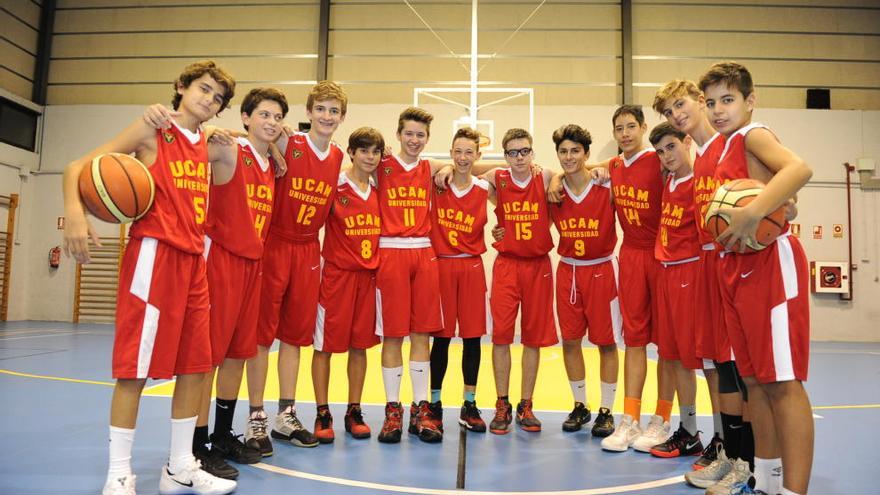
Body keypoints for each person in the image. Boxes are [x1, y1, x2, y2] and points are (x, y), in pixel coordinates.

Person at [62, 60, 237, 495]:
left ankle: (179, 465)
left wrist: (234, 143)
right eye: (203, 88)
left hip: (194, 260)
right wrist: (75, 215)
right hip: (153, 256)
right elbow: (77, 166)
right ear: (182, 86)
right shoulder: (153, 128)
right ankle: (118, 474)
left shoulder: (207, 143)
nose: (208, 98)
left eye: (217, 97)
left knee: (196, 367)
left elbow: (239, 159)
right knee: (134, 371)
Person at [702, 61, 813, 495]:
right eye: (711, 102)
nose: (718, 109)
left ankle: (794, 491)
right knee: (753, 383)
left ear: (750, 100)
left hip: (771, 266)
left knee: (782, 383)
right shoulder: (722, 146)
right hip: (735, 266)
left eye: (727, 100)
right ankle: (765, 483)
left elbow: (798, 169)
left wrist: (754, 210)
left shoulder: (754, 133)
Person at [652, 79, 755, 487]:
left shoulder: (736, 143)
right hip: (711, 268)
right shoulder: (709, 154)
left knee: (747, 372)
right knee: (723, 365)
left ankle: (752, 464)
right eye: (668, 110)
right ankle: (731, 453)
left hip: (736, 267)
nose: (677, 114)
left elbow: (786, 181)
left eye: (682, 104)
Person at [247, 81, 348, 453]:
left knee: (295, 337)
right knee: (260, 337)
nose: (326, 116)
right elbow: (251, 135)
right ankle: (255, 417)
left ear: (342, 118)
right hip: (274, 244)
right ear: (308, 113)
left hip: (309, 251)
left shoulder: (338, 157)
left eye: (333, 111)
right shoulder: (289, 142)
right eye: (320, 108)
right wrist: (274, 141)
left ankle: (285, 414)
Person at [598, 105, 677, 453]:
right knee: (633, 340)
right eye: (619, 128)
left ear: (644, 127)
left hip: (662, 256)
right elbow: (586, 171)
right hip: (629, 256)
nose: (626, 133)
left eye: (632, 126)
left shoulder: (659, 162)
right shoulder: (614, 167)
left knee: (666, 344)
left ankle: (660, 419)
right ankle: (629, 419)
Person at [375, 107, 446, 444]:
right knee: (392, 336)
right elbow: (347, 172)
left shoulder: (430, 168)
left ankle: (421, 409)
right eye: (409, 134)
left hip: (423, 252)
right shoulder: (381, 165)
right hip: (390, 251)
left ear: (427, 139)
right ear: (398, 134)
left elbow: (475, 169)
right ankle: (393, 410)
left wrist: (547, 173)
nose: (414, 140)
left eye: (420, 135)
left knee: (421, 335)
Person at [311, 127, 384, 442]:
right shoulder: (335, 184)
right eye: (364, 151)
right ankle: (322, 410)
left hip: (368, 279)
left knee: (360, 346)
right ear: (351, 152)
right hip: (337, 276)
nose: (370, 157)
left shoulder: (380, 187)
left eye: (376, 152)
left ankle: (354, 409)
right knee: (324, 347)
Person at [483, 128, 557, 434]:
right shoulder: (497, 179)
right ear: (505, 156)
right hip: (507, 265)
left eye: (524, 151)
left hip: (538, 266)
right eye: (513, 152)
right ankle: (502, 402)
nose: (519, 158)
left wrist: (557, 179)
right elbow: (470, 169)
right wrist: (448, 166)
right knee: (501, 336)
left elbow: (570, 172)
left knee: (533, 339)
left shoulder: (546, 177)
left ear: (532, 152)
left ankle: (527, 403)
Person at [548, 124, 620, 437]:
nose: (569, 157)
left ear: (586, 153)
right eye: (563, 151)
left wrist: (597, 169)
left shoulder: (608, 186)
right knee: (571, 341)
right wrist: (556, 177)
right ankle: (580, 405)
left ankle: (606, 409)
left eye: (575, 151)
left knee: (606, 343)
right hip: (568, 271)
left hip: (601, 270)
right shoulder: (554, 191)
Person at [646, 122, 704, 458]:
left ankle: (698, 432)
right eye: (660, 151)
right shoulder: (668, 180)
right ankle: (688, 430)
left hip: (689, 273)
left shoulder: (699, 182)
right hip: (666, 273)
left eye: (671, 147)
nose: (666, 156)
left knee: (691, 360)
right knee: (669, 355)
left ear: (686, 142)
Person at [428, 127, 490, 434]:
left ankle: (469, 402)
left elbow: (511, 169)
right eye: (458, 152)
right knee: (440, 339)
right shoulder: (437, 183)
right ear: (450, 152)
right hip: (441, 266)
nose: (463, 158)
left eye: (469, 152)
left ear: (478, 155)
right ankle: (435, 403)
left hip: (471, 268)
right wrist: (447, 167)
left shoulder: (484, 187)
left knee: (472, 338)